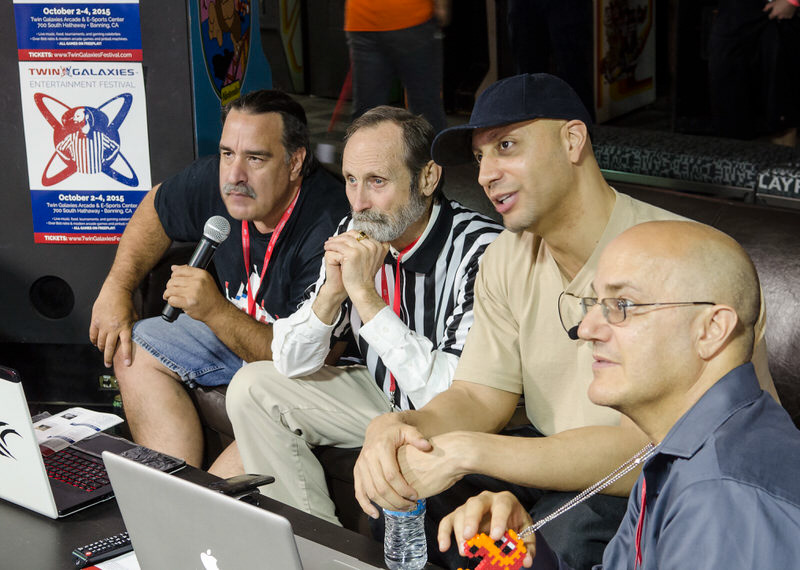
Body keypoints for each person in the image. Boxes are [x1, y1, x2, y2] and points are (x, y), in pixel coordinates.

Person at [353, 73, 778, 569]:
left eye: (506, 146)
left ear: (572, 140)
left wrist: (467, 451)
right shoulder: (506, 256)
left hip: (658, 469)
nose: (486, 174)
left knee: (558, 539)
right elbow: (479, 395)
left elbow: (654, 448)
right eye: (480, 157)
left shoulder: (676, 256)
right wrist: (401, 426)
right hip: (551, 452)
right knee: (400, 495)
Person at [438, 220, 800, 569]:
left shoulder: (723, 495)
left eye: (622, 305)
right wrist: (523, 557)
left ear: (712, 329)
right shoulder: (682, 447)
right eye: (594, 303)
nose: (586, 328)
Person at [225, 106, 502, 525]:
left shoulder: (484, 251)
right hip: (382, 395)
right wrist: (331, 294)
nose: (359, 202)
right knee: (252, 387)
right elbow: (291, 361)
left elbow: (452, 398)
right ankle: (315, 544)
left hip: (453, 415)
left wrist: (366, 298)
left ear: (428, 177)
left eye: (377, 181)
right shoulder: (355, 229)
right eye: (351, 180)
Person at [88, 90, 348, 474]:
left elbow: (308, 362)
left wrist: (214, 310)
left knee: (216, 493)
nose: (234, 175)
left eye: (255, 158)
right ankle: (170, 479)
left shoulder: (330, 227)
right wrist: (117, 286)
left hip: (303, 375)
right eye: (228, 153)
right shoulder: (219, 179)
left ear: (295, 162)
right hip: (238, 337)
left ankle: (191, 499)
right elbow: (157, 208)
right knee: (136, 347)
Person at [345, 0, 449, 132]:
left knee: (368, 112)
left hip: (365, 21)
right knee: (426, 109)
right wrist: (442, 6)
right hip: (409, 19)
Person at [709, 0, 800, 145]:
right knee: (728, 107)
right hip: (732, 13)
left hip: (773, 10)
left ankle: (782, 160)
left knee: (780, 111)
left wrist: (792, 1)